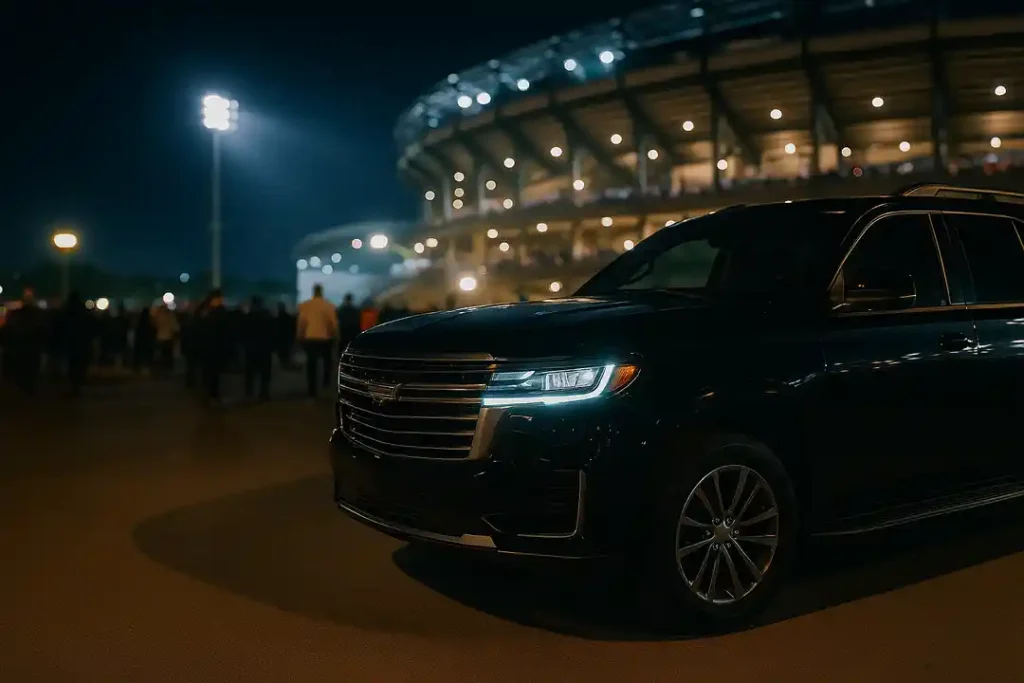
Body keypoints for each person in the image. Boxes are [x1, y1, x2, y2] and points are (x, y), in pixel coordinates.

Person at [296, 284, 337, 398]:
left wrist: (299, 335)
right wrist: (336, 336)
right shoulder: (329, 305)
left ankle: (312, 389)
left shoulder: (305, 305)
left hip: (310, 338)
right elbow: (333, 324)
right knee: (327, 361)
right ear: (322, 292)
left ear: (313, 292)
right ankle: (326, 382)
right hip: (325, 338)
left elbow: (301, 322)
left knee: (311, 363)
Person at [3, 288, 46, 394]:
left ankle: (24, 385)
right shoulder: (38, 314)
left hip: (22, 344)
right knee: (31, 365)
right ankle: (29, 385)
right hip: (32, 345)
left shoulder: (17, 314)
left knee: (22, 365)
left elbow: (10, 328)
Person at [58, 291, 94, 395]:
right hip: (82, 342)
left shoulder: (66, 311)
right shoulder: (83, 311)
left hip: (71, 342)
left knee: (73, 364)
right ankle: (77, 384)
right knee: (80, 364)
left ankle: (74, 384)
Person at [199, 289, 231, 404]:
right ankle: (213, 394)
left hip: (208, 347)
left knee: (210, 373)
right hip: (215, 347)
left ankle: (210, 394)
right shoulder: (219, 313)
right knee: (214, 373)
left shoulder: (205, 312)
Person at [243, 295, 275, 400]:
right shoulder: (268, 315)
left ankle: (249, 392)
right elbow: (273, 331)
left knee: (250, 372)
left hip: (251, 347)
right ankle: (264, 393)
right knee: (265, 372)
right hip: (265, 347)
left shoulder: (249, 316)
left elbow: (244, 332)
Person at [151, 302, 180, 373]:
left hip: (159, 338)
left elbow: (154, 326)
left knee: (160, 356)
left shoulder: (157, 317)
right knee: (168, 356)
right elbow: (176, 329)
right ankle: (168, 370)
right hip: (168, 339)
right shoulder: (170, 317)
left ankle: (160, 370)